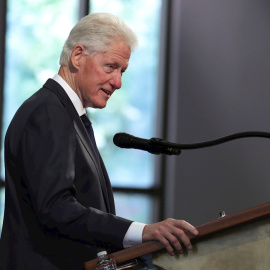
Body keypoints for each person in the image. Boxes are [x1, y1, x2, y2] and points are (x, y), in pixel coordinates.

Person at [0, 13, 198, 270]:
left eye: (122, 71)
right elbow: (56, 209)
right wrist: (142, 231)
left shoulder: (67, 113)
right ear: (78, 56)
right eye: (111, 67)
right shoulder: (48, 112)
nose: (118, 82)